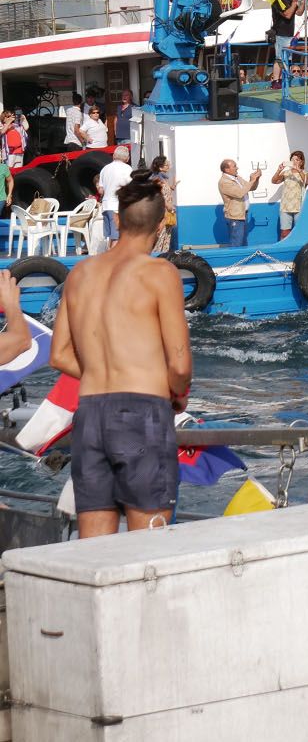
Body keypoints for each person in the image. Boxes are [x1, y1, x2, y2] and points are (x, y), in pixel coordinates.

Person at [48, 170, 191, 538]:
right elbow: (179, 364)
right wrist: (174, 393)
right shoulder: (160, 273)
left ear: (119, 219)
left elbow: (60, 355)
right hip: (142, 413)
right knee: (147, 549)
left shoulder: (81, 273)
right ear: (161, 226)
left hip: (91, 413)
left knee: (96, 551)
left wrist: (102, 369)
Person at [95, 146, 134, 247]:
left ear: (114, 156)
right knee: (117, 237)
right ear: (127, 158)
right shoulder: (127, 169)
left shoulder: (105, 169)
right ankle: (112, 260)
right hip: (117, 207)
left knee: (112, 237)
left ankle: (109, 257)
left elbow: (101, 190)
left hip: (106, 206)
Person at [218, 159, 261, 246]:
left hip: (242, 215)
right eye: (234, 166)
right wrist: (252, 180)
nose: (237, 168)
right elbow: (239, 193)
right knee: (236, 243)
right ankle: (235, 260)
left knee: (243, 242)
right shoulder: (224, 182)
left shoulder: (237, 178)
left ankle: (242, 259)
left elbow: (251, 188)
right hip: (235, 217)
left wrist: (256, 179)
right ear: (227, 169)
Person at [271, 151, 308, 238]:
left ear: (301, 162)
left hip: (299, 206)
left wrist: (298, 170)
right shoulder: (286, 172)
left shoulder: (305, 173)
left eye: (297, 159)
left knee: (300, 230)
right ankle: (284, 248)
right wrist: (279, 170)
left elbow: (306, 182)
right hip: (285, 205)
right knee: (285, 232)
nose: (294, 162)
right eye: (292, 159)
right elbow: (274, 181)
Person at [149, 155, 176, 255]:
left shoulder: (163, 178)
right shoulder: (157, 179)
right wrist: (167, 204)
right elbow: (156, 194)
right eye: (166, 164)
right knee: (160, 234)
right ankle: (156, 256)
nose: (168, 166)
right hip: (162, 210)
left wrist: (172, 187)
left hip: (167, 210)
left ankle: (163, 256)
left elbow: (164, 191)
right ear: (160, 167)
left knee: (167, 234)